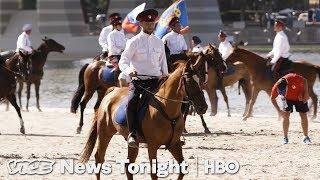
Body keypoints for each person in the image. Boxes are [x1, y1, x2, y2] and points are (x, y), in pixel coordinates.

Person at [119, 9, 168, 148]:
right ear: (141, 23)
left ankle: (175, 132)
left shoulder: (159, 42)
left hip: (157, 81)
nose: (150, 24)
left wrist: (166, 77)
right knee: (131, 102)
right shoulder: (133, 42)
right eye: (147, 22)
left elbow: (163, 64)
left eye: (152, 22)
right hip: (139, 81)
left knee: (174, 100)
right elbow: (123, 61)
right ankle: (132, 133)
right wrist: (129, 70)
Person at [270, 72, 311, 144]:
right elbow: (272, 98)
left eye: (284, 91)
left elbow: (305, 80)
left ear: (287, 85)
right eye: (281, 92)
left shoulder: (293, 78)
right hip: (286, 99)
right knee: (286, 116)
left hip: (299, 98)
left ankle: (306, 137)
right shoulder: (277, 86)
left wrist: (306, 93)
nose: (282, 93)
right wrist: (279, 111)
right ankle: (285, 138)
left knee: (303, 115)